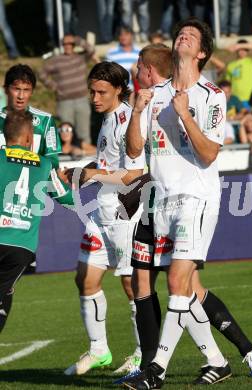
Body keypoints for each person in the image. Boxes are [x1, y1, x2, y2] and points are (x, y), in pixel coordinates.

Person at [124, 18, 252, 389]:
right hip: (159, 202)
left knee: (177, 281)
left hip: (197, 198)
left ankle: (155, 371)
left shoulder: (212, 96)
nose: (182, 36)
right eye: (180, 32)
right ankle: (226, 358)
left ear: (202, 52)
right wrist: (138, 112)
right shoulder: (154, 93)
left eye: (191, 35)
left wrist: (185, 113)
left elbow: (208, 155)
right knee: (188, 289)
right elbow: (134, 150)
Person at [63, 61, 144, 376]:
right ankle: (99, 350)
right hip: (101, 210)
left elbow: (134, 175)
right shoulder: (108, 119)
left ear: (119, 91)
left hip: (124, 212)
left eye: (101, 92)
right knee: (85, 278)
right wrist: (81, 170)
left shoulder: (126, 122)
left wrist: (92, 173)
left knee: (131, 284)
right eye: (92, 91)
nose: (94, 98)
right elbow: (108, 162)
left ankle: (142, 355)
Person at [0, 110, 73, 332]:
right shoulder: (44, 165)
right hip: (22, 248)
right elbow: (67, 199)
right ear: (30, 139)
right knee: (5, 292)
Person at [39, 34, 96, 147]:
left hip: (82, 100)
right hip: (64, 101)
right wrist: (54, 87)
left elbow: (91, 49)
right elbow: (41, 73)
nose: (67, 46)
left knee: (84, 133)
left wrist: (77, 39)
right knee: (66, 132)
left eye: (70, 43)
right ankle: (67, 157)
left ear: (74, 45)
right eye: (65, 44)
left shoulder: (81, 57)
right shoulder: (56, 60)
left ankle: (86, 159)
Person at [0, 64, 61, 169]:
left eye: (26, 90)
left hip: (34, 184)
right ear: (6, 89)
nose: (21, 96)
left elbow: (53, 162)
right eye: (16, 89)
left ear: (32, 92)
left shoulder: (45, 121)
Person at [105, 26, 140, 93]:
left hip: (136, 91)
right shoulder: (111, 52)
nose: (123, 37)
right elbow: (107, 73)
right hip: (118, 91)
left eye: (126, 34)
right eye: (121, 34)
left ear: (131, 36)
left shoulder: (139, 51)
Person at [225, 39, 252, 108]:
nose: (242, 51)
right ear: (236, 50)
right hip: (235, 99)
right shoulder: (230, 65)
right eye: (240, 49)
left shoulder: (251, 62)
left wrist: (239, 46)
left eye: (245, 49)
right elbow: (228, 83)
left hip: (249, 99)